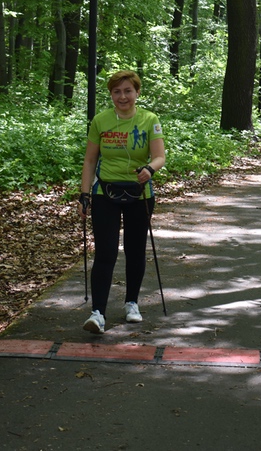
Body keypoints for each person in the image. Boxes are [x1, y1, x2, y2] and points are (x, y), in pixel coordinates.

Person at [77, 70, 166, 334]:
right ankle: (98, 313)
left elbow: (160, 156)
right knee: (105, 252)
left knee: (135, 250)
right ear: (111, 95)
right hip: (105, 193)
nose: (122, 96)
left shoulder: (149, 119)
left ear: (137, 92)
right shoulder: (100, 120)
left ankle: (132, 303)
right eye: (117, 92)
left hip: (140, 194)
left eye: (128, 91)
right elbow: (90, 160)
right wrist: (84, 194)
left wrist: (149, 168)